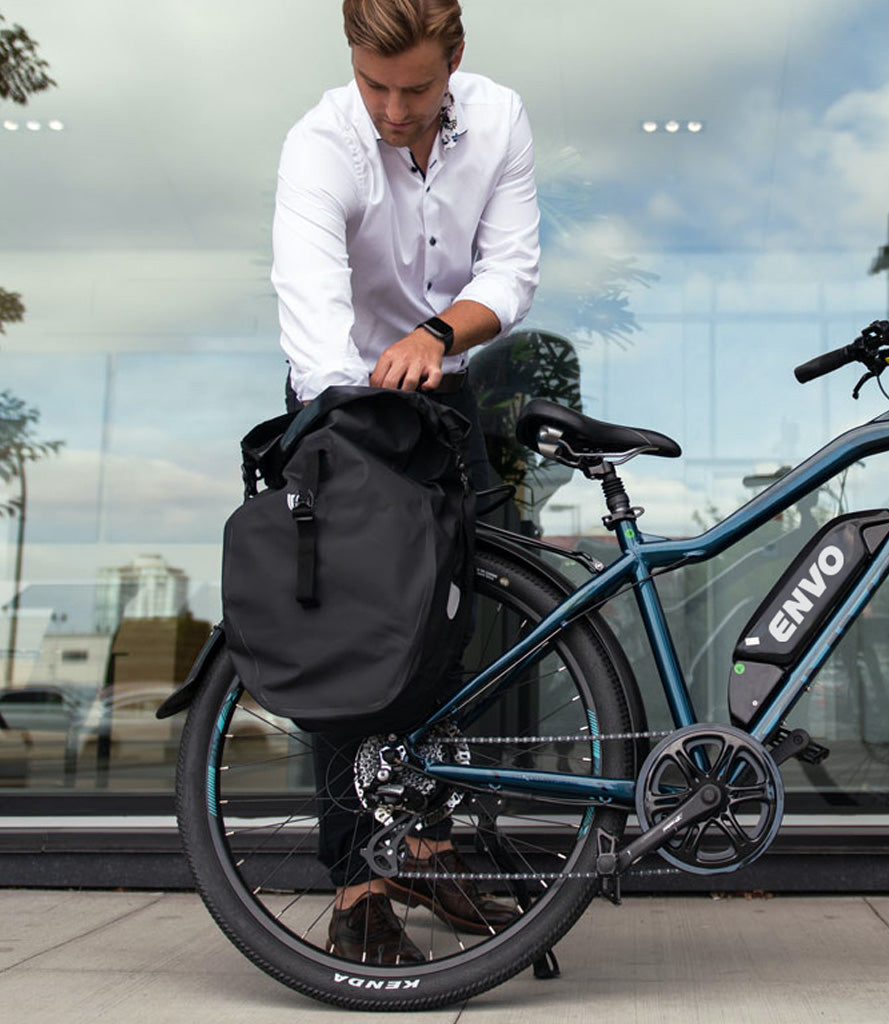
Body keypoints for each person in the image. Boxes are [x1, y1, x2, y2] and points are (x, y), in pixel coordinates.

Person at [270, 0, 540, 965]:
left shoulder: (500, 119)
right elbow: (316, 330)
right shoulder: (320, 146)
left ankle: (426, 846)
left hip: (445, 384)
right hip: (339, 398)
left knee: (455, 621)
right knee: (350, 636)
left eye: (415, 88)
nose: (391, 108)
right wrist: (374, 438)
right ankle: (359, 884)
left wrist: (434, 337)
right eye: (373, 84)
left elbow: (511, 272)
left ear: (454, 59)